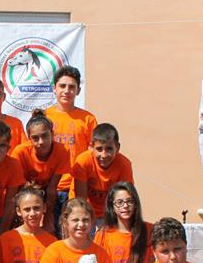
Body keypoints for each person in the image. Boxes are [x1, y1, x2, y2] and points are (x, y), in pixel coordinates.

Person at [43, 66, 97, 221]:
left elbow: (93, 155)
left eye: (72, 87)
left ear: (78, 90)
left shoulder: (88, 119)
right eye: (62, 86)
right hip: (49, 187)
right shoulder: (45, 117)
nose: (66, 91)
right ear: (54, 88)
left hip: (76, 187)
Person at [11, 110, 71, 234]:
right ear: (29, 138)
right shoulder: (20, 152)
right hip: (25, 192)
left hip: (49, 192)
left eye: (45, 136)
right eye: (35, 138)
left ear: (52, 134)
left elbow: (52, 189)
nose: (41, 142)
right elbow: (17, 189)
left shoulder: (62, 151)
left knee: (55, 226)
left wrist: (48, 219)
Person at [71, 123, 134, 226]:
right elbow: (81, 200)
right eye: (99, 149)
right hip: (84, 208)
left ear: (117, 147)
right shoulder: (83, 161)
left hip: (109, 211)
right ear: (91, 147)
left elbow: (124, 198)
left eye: (109, 149)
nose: (104, 155)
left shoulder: (124, 165)